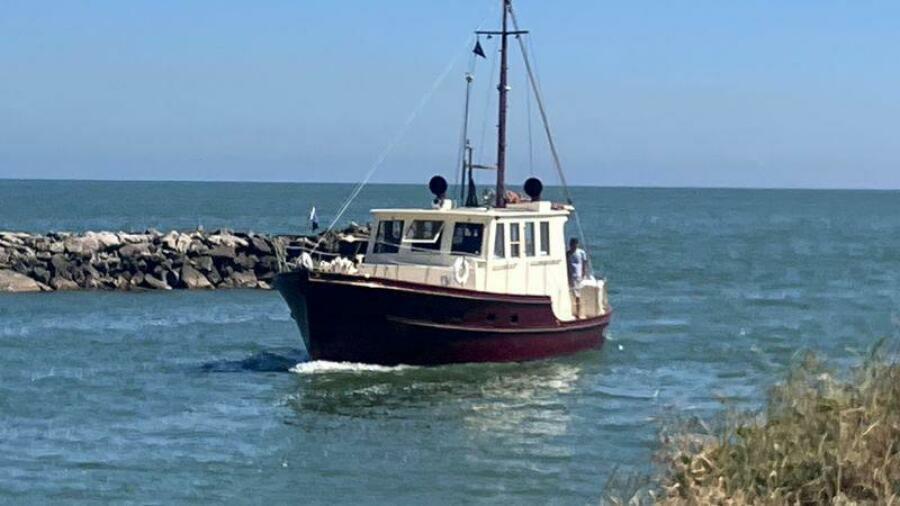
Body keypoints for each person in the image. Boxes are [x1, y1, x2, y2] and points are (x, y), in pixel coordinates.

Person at [566, 237, 589, 318]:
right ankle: (574, 311)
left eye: (575, 245)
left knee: (577, 295)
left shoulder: (581, 253)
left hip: (578, 276)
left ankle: (578, 312)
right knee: (572, 294)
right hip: (571, 276)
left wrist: (584, 273)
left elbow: (584, 263)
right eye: (572, 245)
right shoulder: (568, 254)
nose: (574, 246)